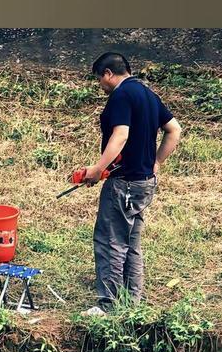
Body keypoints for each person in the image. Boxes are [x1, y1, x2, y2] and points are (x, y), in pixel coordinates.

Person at [74, 53, 183, 315]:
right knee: (131, 243)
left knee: (110, 241)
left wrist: (98, 169)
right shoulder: (148, 94)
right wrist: (156, 161)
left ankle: (109, 305)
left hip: (124, 184)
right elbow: (175, 129)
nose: (100, 85)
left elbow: (121, 135)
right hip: (144, 183)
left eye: (99, 79)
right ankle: (131, 302)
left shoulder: (121, 95)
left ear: (108, 73)